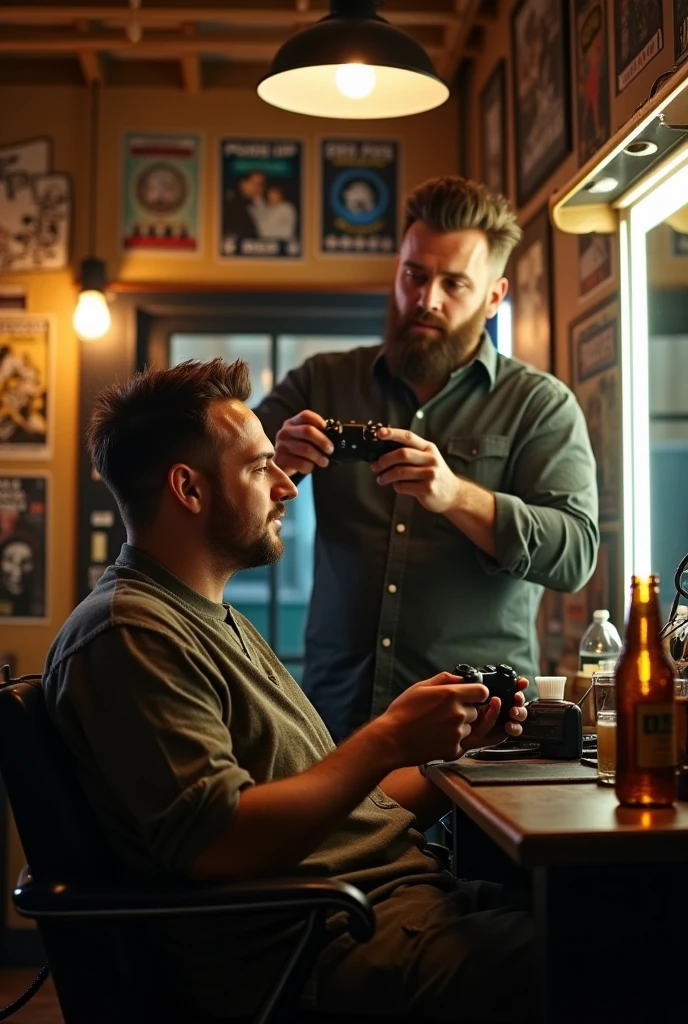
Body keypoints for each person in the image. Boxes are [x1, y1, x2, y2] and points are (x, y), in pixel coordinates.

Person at [43, 358, 534, 1023]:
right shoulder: (129, 634)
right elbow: (221, 843)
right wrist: (386, 737)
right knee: (630, 950)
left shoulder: (209, 618)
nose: (287, 488)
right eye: (258, 468)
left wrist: (443, 750)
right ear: (188, 489)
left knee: (621, 906)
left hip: (384, 908)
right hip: (325, 951)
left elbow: (331, 815)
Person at [255, 175, 599, 742]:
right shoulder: (320, 381)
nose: (426, 298)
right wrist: (275, 465)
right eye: (414, 275)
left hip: (480, 728)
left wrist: (456, 495)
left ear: (494, 296)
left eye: (454, 283)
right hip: (335, 716)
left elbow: (576, 555)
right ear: (398, 269)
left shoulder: (539, 405)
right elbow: (214, 496)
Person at [222, 168, 266, 241]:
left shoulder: (253, 205)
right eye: (257, 185)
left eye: (262, 185)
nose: (260, 189)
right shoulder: (232, 207)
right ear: (243, 184)